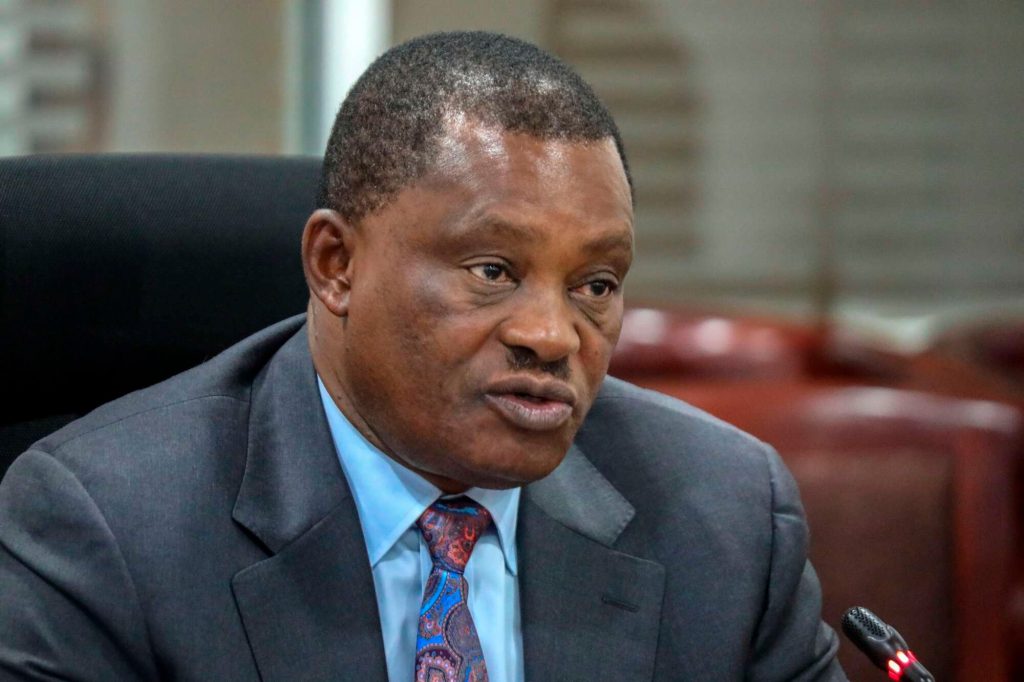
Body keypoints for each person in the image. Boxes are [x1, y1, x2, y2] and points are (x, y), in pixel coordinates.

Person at [0, 32, 844, 681]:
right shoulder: (107, 527)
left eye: (595, 284)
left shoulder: (725, 517)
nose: (553, 335)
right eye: (493, 271)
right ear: (336, 265)